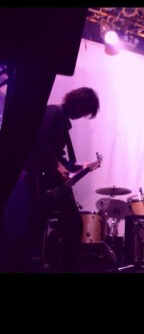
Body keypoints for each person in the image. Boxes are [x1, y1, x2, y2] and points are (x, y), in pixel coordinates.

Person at [0, 87, 100, 272]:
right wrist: (56, 165)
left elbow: (56, 154)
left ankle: (10, 265)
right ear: (78, 102)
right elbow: (37, 140)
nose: (82, 115)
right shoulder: (54, 112)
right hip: (42, 182)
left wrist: (79, 166)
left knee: (38, 228)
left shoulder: (61, 119)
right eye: (84, 110)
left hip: (49, 182)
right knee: (67, 225)